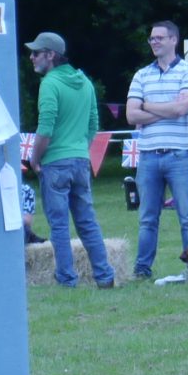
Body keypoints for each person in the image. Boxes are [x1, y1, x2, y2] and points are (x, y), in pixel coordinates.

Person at [27, 32, 115, 289]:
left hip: (55, 163)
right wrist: (79, 150)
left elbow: (46, 128)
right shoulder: (85, 81)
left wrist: (34, 159)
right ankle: (105, 276)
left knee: (59, 226)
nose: (31, 57)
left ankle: (66, 279)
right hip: (80, 161)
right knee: (87, 221)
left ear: (50, 55)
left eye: (36, 53)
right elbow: (93, 124)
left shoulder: (49, 83)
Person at [128, 19, 188, 279]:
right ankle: (142, 269)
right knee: (147, 218)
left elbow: (181, 108)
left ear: (174, 40)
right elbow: (130, 115)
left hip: (180, 153)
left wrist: (146, 106)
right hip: (148, 155)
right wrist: (167, 109)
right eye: (152, 38)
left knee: (187, 215)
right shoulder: (141, 75)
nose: (154, 42)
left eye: (159, 37)